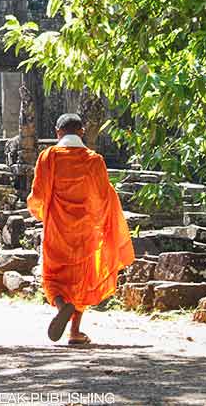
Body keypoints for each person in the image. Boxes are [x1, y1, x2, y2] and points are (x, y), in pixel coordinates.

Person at [27, 113, 135, 345]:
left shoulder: (49, 157)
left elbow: (38, 195)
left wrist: (39, 212)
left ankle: (60, 305)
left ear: (58, 133)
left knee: (53, 275)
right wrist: (101, 223)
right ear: (82, 133)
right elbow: (104, 196)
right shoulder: (94, 160)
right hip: (86, 229)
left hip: (57, 228)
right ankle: (75, 331)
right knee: (81, 279)